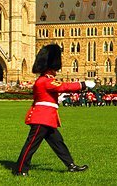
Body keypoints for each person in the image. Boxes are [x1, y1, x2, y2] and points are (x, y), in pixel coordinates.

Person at [13, 44, 92, 177]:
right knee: (31, 144)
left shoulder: (45, 80)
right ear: (51, 67)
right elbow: (62, 86)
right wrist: (82, 84)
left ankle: (71, 165)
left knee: (58, 143)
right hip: (41, 118)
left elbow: (49, 95)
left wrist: (57, 100)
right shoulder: (45, 80)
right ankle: (20, 169)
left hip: (48, 118)